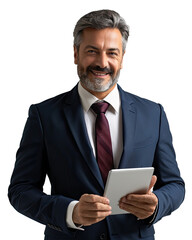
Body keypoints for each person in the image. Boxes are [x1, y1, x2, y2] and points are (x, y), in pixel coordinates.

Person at [8, 9, 185, 240]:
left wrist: (157, 204)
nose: (102, 63)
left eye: (112, 53)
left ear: (121, 58)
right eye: (92, 51)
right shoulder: (43, 116)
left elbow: (175, 185)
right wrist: (71, 212)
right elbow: (20, 191)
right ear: (76, 54)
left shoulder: (153, 114)